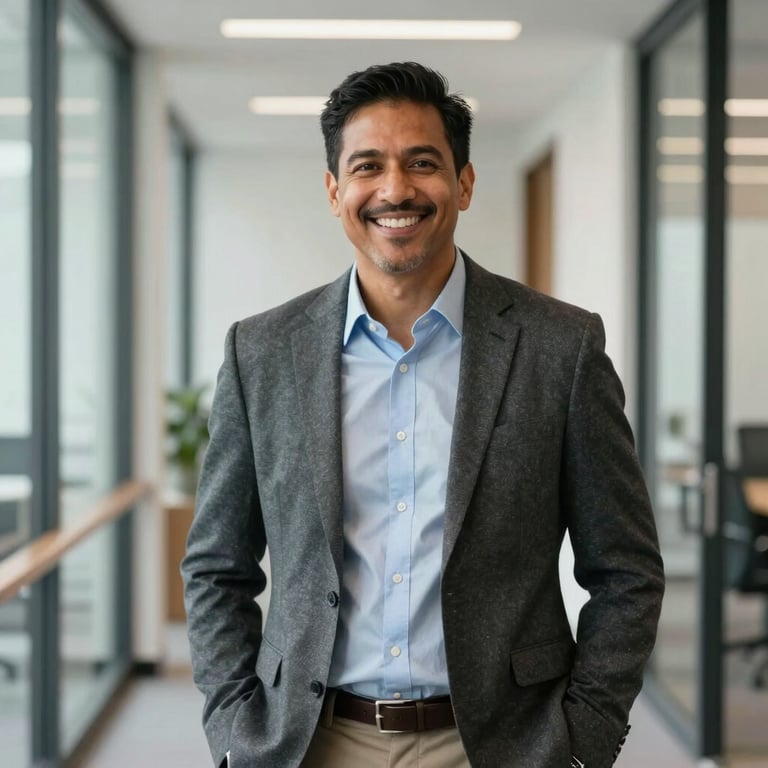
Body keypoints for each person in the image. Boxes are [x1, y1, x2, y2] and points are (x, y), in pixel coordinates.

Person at [182, 61, 664, 768]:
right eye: (367, 166)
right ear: (334, 190)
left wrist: (584, 737)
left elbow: (625, 569)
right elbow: (217, 566)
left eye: (423, 163)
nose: (395, 189)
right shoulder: (262, 352)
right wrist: (232, 724)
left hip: (500, 744)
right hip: (310, 741)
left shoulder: (559, 348)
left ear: (464, 183)